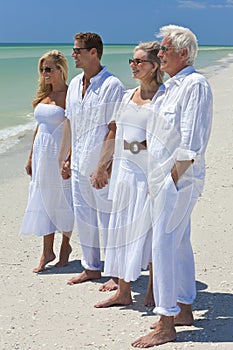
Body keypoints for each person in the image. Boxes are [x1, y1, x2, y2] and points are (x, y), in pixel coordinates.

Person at [132, 25, 213, 348]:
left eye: (165, 49)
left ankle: (166, 323)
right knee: (178, 243)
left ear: (183, 53)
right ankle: (183, 309)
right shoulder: (171, 88)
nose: (160, 54)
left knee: (162, 245)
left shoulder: (194, 85)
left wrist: (169, 181)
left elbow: (191, 143)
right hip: (162, 178)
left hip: (177, 180)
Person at [92, 41, 164, 308]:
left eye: (139, 62)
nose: (133, 65)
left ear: (154, 66)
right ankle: (123, 291)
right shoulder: (126, 95)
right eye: (131, 61)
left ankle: (155, 291)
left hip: (147, 173)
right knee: (122, 229)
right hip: (124, 171)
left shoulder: (163, 97)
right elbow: (115, 131)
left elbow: (165, 138)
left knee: (149, 232)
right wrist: (103, 164)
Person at [58, 32, 125, 287]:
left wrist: (102, 167)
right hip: (78, 164)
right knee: (84, 218)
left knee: (109, 219)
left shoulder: (112, 85)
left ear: (93, 52)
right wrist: (68, 159)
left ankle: (118, 274)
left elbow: (114, 128)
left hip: (101, 166)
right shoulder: (74, 83)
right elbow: (75, 124)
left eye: (77, 50)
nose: (73, 55)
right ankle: (91, 267)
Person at [20, 50, 74, 273]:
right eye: (42, 70)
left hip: (59, 155)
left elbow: (75, 129)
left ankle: (65, 248)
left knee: (63, 199)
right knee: (43, 199)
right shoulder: (44, 94)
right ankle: (46, 251)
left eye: (49, 69)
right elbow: (39, 128)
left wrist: (69, 158)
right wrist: (31, 155)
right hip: (42, 155)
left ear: (61, 69)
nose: (45, 73)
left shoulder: (71, 95)